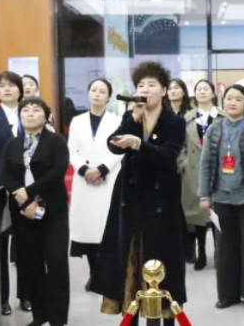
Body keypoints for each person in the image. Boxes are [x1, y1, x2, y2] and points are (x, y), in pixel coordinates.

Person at [90, 61, 187, 326]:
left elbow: (167, 157)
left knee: (161, 264)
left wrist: (138, 145)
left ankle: (162, 318)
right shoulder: (130, 116)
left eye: (151, 84)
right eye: (141, 85)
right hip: (130, 199)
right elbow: (114, 146)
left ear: (164, 91)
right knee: (128, 261)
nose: (144, 89)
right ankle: (130, 315)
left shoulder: (175, 122)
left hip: (161, 201)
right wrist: (133, 120)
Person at [1, 97, 70, 326]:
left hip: (53, 210)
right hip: (23, 213)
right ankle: (40, 316)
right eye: (25, 110)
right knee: (31, 263)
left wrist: (29, 192)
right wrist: (25, 202)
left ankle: (58, 318)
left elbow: (58, 171)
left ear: (46, 116)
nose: (30, 114)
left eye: (36, 110)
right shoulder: (12, 144)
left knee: (57, 261)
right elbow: (6, 175)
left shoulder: (56, 141)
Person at [198, 84, 244, 312]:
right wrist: (204, 195)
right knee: (224, 249)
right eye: (229, 98)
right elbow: (206, 164)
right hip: (221, 198)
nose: (232, 102)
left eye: (238, 99)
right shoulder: (214, 129)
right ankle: (227, 294)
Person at [0, 71, 31, 316]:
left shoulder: (29, 114)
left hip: (27, 186)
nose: (7, 89)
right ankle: (2, 298)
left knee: (25, 241)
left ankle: (26, 295)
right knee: (0, 243)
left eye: (11, 85)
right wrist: (10, 180)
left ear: (20, 90)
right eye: (1, 86)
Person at [67, 78, 123, 291]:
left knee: (106, 228)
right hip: (84, 182)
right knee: (88, 229)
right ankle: (94, 274)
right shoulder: (77, 121)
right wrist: (84, 170)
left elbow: (120, 150)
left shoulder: (117, 121)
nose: (97, 94)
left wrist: (101, 169)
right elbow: (71, 150)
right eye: (93, 90)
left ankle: (107, 274)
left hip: (107, 179)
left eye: (102, 91)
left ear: (108, 97)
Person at [179, 79, 225, 270]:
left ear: (213, 93)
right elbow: (180, 145)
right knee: (197, 216)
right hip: (193, 172)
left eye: (206, 89)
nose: (202, 92)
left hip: (219, 171)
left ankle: (219, 253)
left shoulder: (223, 116)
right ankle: (201, 254)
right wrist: (184, 163)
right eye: (199, 89)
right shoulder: (186, 118)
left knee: (217, 214)